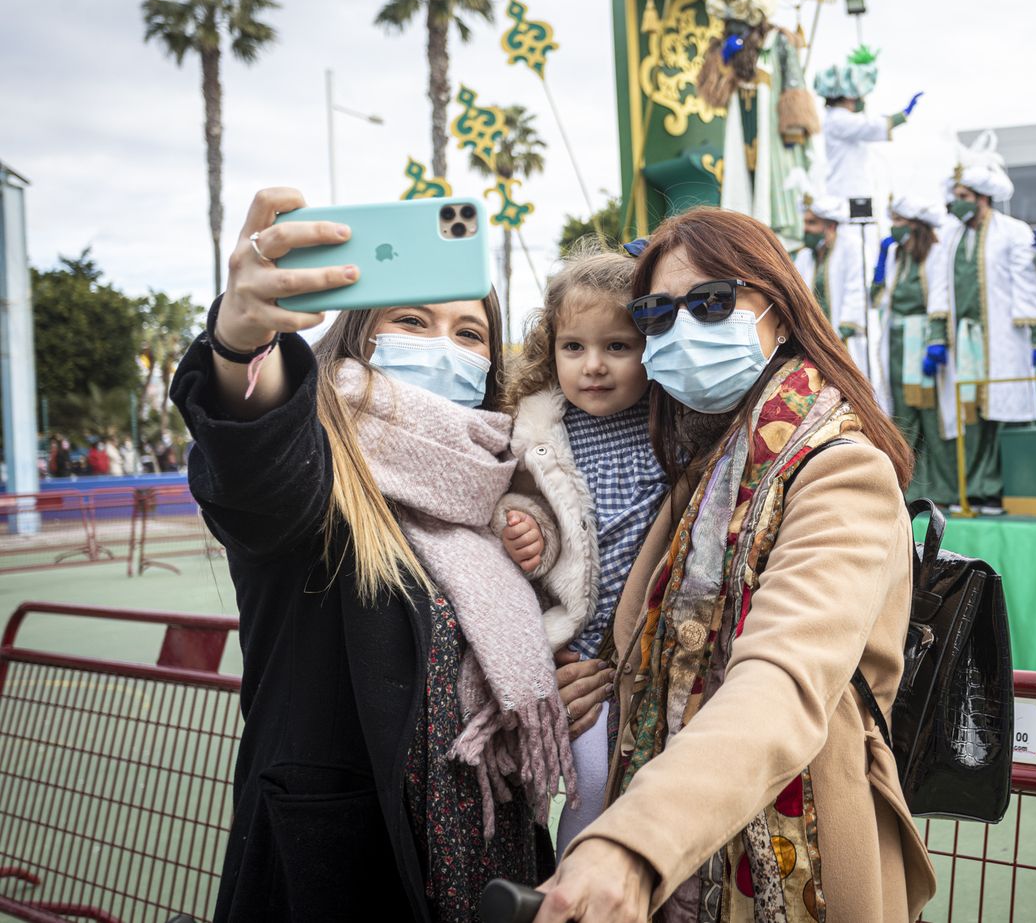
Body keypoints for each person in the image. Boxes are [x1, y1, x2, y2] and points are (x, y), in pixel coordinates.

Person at [172, 188, 602, 923]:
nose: (445, 345)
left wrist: (539, 696)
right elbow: (258, 471)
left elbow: (463, 679)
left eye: (470, 331)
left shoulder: (489, 497)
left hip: (487, 869)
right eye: (412, 319)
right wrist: (240, 343)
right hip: (341, 878)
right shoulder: (320, 471)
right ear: (361, 339)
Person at [534, 208, 935, 922]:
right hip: (687, 849)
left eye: (713, 301)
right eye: (657, 314)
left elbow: (780, 678)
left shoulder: (840, 469)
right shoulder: (700, 467)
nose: (683, 327)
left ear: (778, 310)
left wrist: (632, 842)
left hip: (794, 844)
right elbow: (637, 642)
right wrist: (574, 678)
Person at [494, 245, 668, 857]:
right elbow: (522, 504)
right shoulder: (540, 427)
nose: (593, 365)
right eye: (574, 347)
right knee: (591, 782)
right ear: (551, 348)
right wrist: (528, 533)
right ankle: (572, 887)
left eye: (617, 347)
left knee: (656, 786)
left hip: (659, 649)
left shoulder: (670, 420)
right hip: (583, 649)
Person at [922, 132, 1036, 515]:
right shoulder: (951, 237)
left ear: (981, 198)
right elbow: (942, 287)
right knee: (970, 414)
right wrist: (936, 336)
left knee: (1002, 411)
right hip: (965, 340)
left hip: (1004, 337)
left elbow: (1028, 286)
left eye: (963, 197)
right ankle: (975, 490)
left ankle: (999, 490)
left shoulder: (1013, 231)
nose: (956, 203)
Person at [696, 0, 817, 248]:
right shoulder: (725, 48)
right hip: (741, 124)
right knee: (742, 177)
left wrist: (794, 127)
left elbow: (794, 81)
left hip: (773, 128)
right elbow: (713, 93)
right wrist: (723, 60)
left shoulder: (778, 41)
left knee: (771, 178)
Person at [871, 194, 959, 502]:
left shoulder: (936, 252)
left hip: (922, 342)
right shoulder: (896, 254)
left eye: (899, 222)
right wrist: (879, 268)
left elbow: (940, 297)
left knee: (933, 419)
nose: (893, 228)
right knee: (903, 420)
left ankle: (946, 490)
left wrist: (936, 342)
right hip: (896, 344)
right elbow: (877, 300)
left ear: (916, 226)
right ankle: (906, 489)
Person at [813, 46, 921, 213]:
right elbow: (871, 126)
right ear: (849, 96)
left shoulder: (839, 117)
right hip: (848, 193)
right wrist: (903, 115)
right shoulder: (838, 119)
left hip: (854, 191)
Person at [789, 167, 871, 379]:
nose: (805, 229)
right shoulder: (806, 256)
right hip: (814, 344)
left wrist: (843, 331)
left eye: (812, 223)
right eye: (805, 222)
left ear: (830, 226)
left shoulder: (851, 247)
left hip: (845, 339)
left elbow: (856, 289)